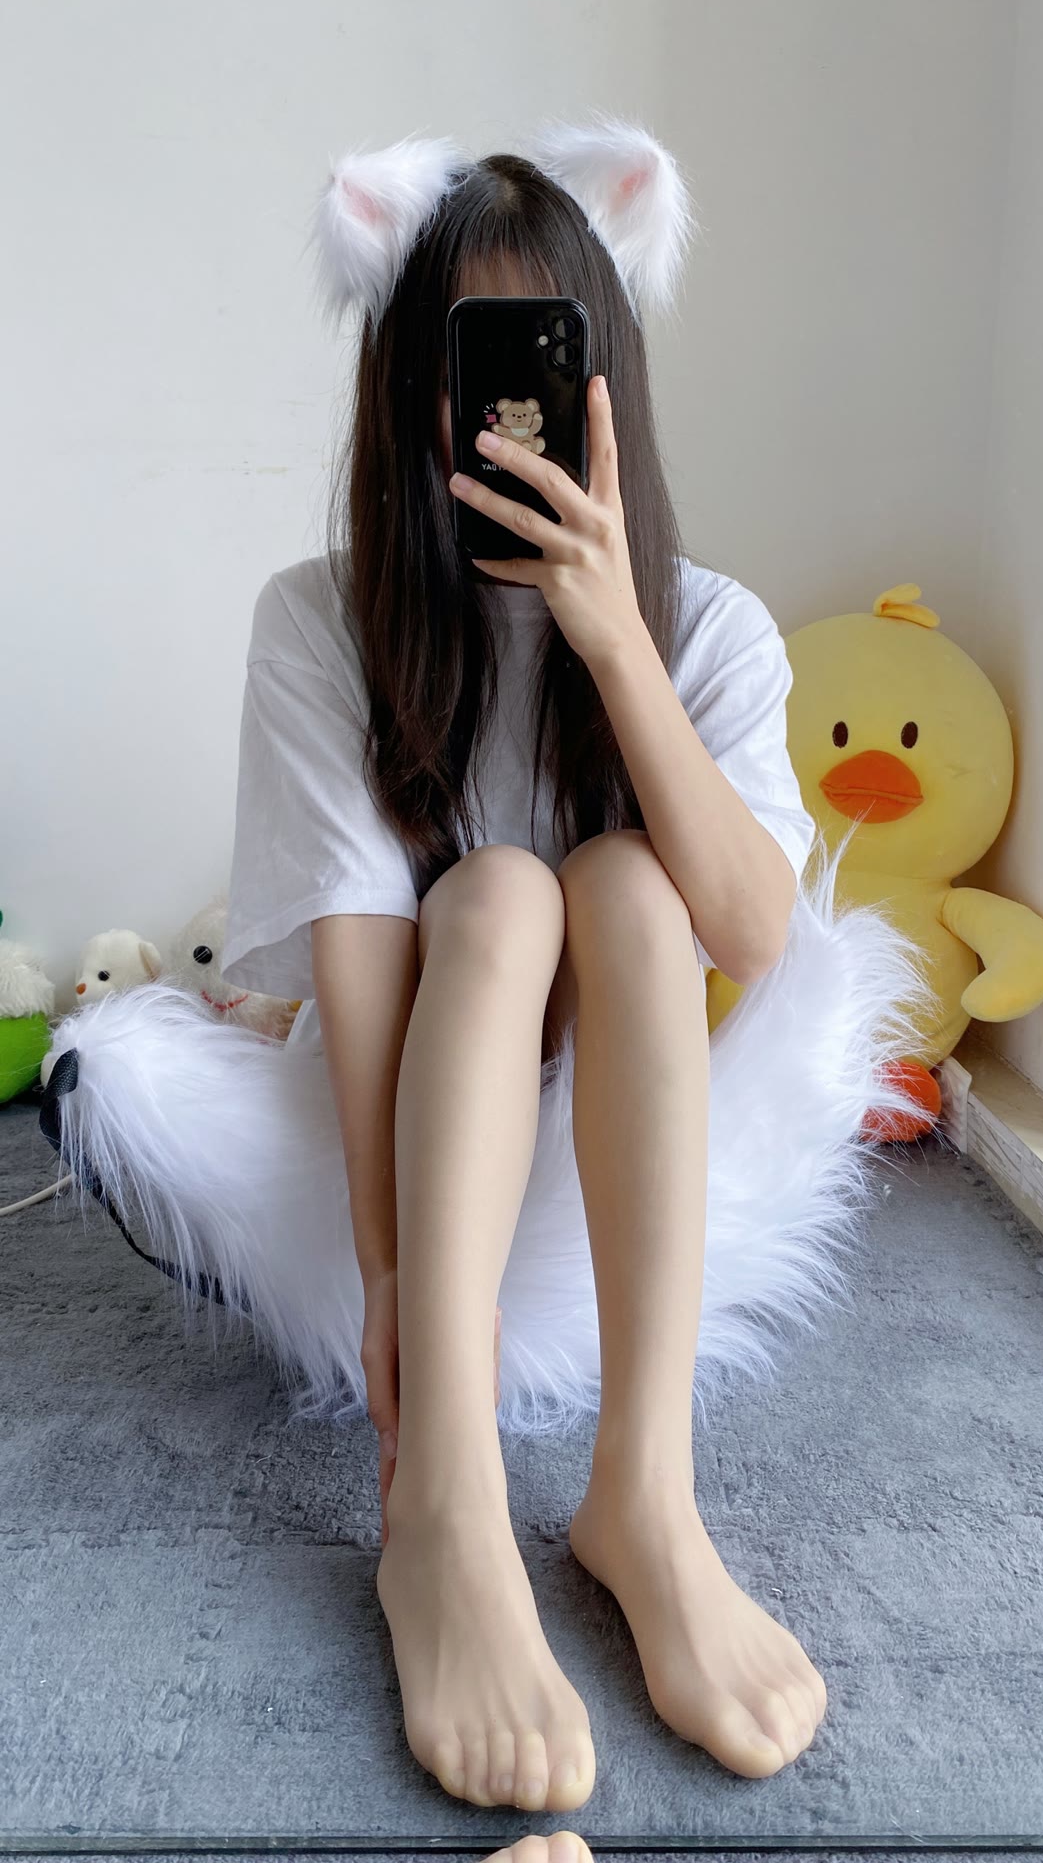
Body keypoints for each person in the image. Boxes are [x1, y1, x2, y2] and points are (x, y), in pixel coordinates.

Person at [218, 119, 831, 1813]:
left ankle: (647, 1493)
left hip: (617, 1107)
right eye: (465, 359)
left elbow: (754, 938)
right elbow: (361, 945)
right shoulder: (319, 620)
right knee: (494, 895)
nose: (498, 411)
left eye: (538, 355)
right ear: (405, 381)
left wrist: (614, 635)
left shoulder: (713, 627)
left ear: (603, 375)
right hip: (427, 1114)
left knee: (626, 886)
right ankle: (447, 1505)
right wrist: (388, 1275)